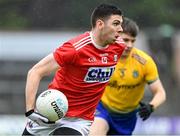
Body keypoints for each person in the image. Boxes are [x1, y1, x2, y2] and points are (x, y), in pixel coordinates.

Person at [22, 3, 125, 136]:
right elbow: (35, 72)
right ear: (100, 24)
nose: (121, 29)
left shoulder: (119, 46)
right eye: (116, 24)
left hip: (79, 121)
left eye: (121, 24)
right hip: (50, 110)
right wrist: (30, 110)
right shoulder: (75, 48)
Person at [89, 17, 166, 135]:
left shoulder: (145, 62)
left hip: (127, 117)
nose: (129, 45)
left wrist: (151, 106)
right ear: (116, 36)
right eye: (125, 40)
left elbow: (160, 92)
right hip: (103, 109)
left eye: (132, 41)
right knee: (96, 131)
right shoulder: (103, 57)